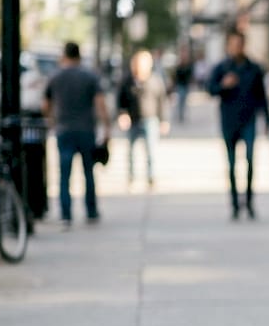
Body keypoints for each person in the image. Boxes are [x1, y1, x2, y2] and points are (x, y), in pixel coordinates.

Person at [43, 41, 110, 228]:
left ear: (64, 55)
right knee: (88, 173)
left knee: (64, 175)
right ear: (79, 56)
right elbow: (100, 104)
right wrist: (106, 127)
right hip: (86, 129)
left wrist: (51, 122)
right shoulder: (90, 76)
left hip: (63, 130)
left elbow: (45, 105)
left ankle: (66, 214)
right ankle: (91, 210)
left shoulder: (55, 77)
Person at [207, 30, 269, 219]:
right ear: (229, 46)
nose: (237, 48)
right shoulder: (222, 68)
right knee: (232, 163)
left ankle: (249, 201)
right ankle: (235, 203)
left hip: (249, 120)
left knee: (251, 161)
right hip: (229, 122)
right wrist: (223, 86)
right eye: (233, 44)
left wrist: (267, 119)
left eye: (240, 44)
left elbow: (262, 96)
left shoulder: (254, 68)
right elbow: (210, 89)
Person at [116, 49, 169, 190]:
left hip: (150, 119)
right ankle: (131, 176)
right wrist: (122, 114)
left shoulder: (155, 80)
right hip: (133, 119)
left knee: (151, 151)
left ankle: (151, 177)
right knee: (131, 151)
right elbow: (120, 99)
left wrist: (164, 120)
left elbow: (162, 100)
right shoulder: (127, 80)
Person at [172, 47, 194, 124]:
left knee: (184, 101)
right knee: (180, 100)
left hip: (185, 85)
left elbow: (190, 74)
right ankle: (179, 115)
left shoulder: (189, 64)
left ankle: (181, 115)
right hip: (180, 85)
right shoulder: (179, 64)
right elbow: (176, 75)